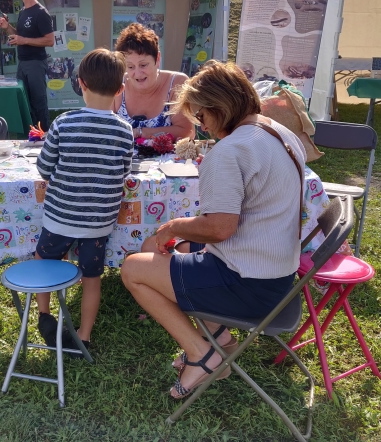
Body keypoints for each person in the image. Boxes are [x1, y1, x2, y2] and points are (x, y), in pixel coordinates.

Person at [121, 60, 306, 398]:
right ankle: (218, 338)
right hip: (278, 279)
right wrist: (176, 234)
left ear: (220, 107)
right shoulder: (278, 131)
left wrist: (174, 226)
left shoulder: (231, 150)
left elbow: (220, 228)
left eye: (202, 117)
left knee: (134, 267)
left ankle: (201, 355)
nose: (202, 127)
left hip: (248, 286)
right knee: (157, 245)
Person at [35, 48, 133, 354]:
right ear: (120, 89)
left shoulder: (64, 123)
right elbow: (125, 172)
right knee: (92, 279)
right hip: (97, 225)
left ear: (81, 84)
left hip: (59, 219)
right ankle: (85, 334)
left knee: (44, 262)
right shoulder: (124, 130)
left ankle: (44, 314)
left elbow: (43, 167)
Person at [113, 23, 194, 140]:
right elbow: (103, 127)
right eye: (130, 67)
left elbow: (187, 132)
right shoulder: (116, 83)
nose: (138, 73)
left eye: (143, 65)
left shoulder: (177, 83)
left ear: (158, 59)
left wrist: (141, 133)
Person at [0, 0, 54, 131]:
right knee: (26, 103)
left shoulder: (41, 13)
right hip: (23, 64)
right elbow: (20, 35)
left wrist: (23, 40)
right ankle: (31, 137)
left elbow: (50, 40)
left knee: (38, 103)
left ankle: (44, 139)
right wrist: (8, 27)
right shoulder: (22, 12)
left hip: (36, 63)